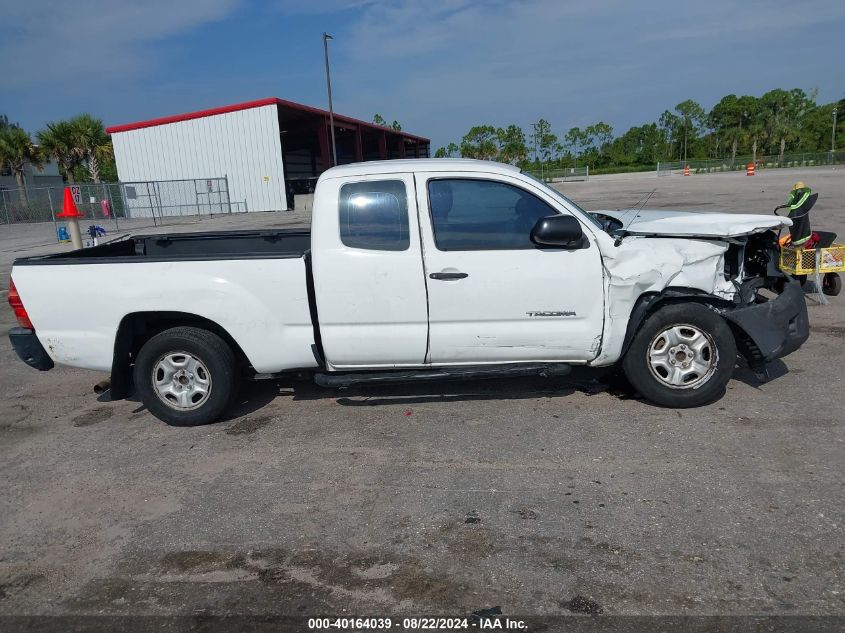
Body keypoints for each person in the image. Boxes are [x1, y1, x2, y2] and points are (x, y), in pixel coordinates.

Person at [785, 181, 813, 247]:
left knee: (799, 237)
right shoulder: (803, 201)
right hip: (803, 233)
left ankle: (799, 249)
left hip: (799, 233)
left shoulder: (796, 201)